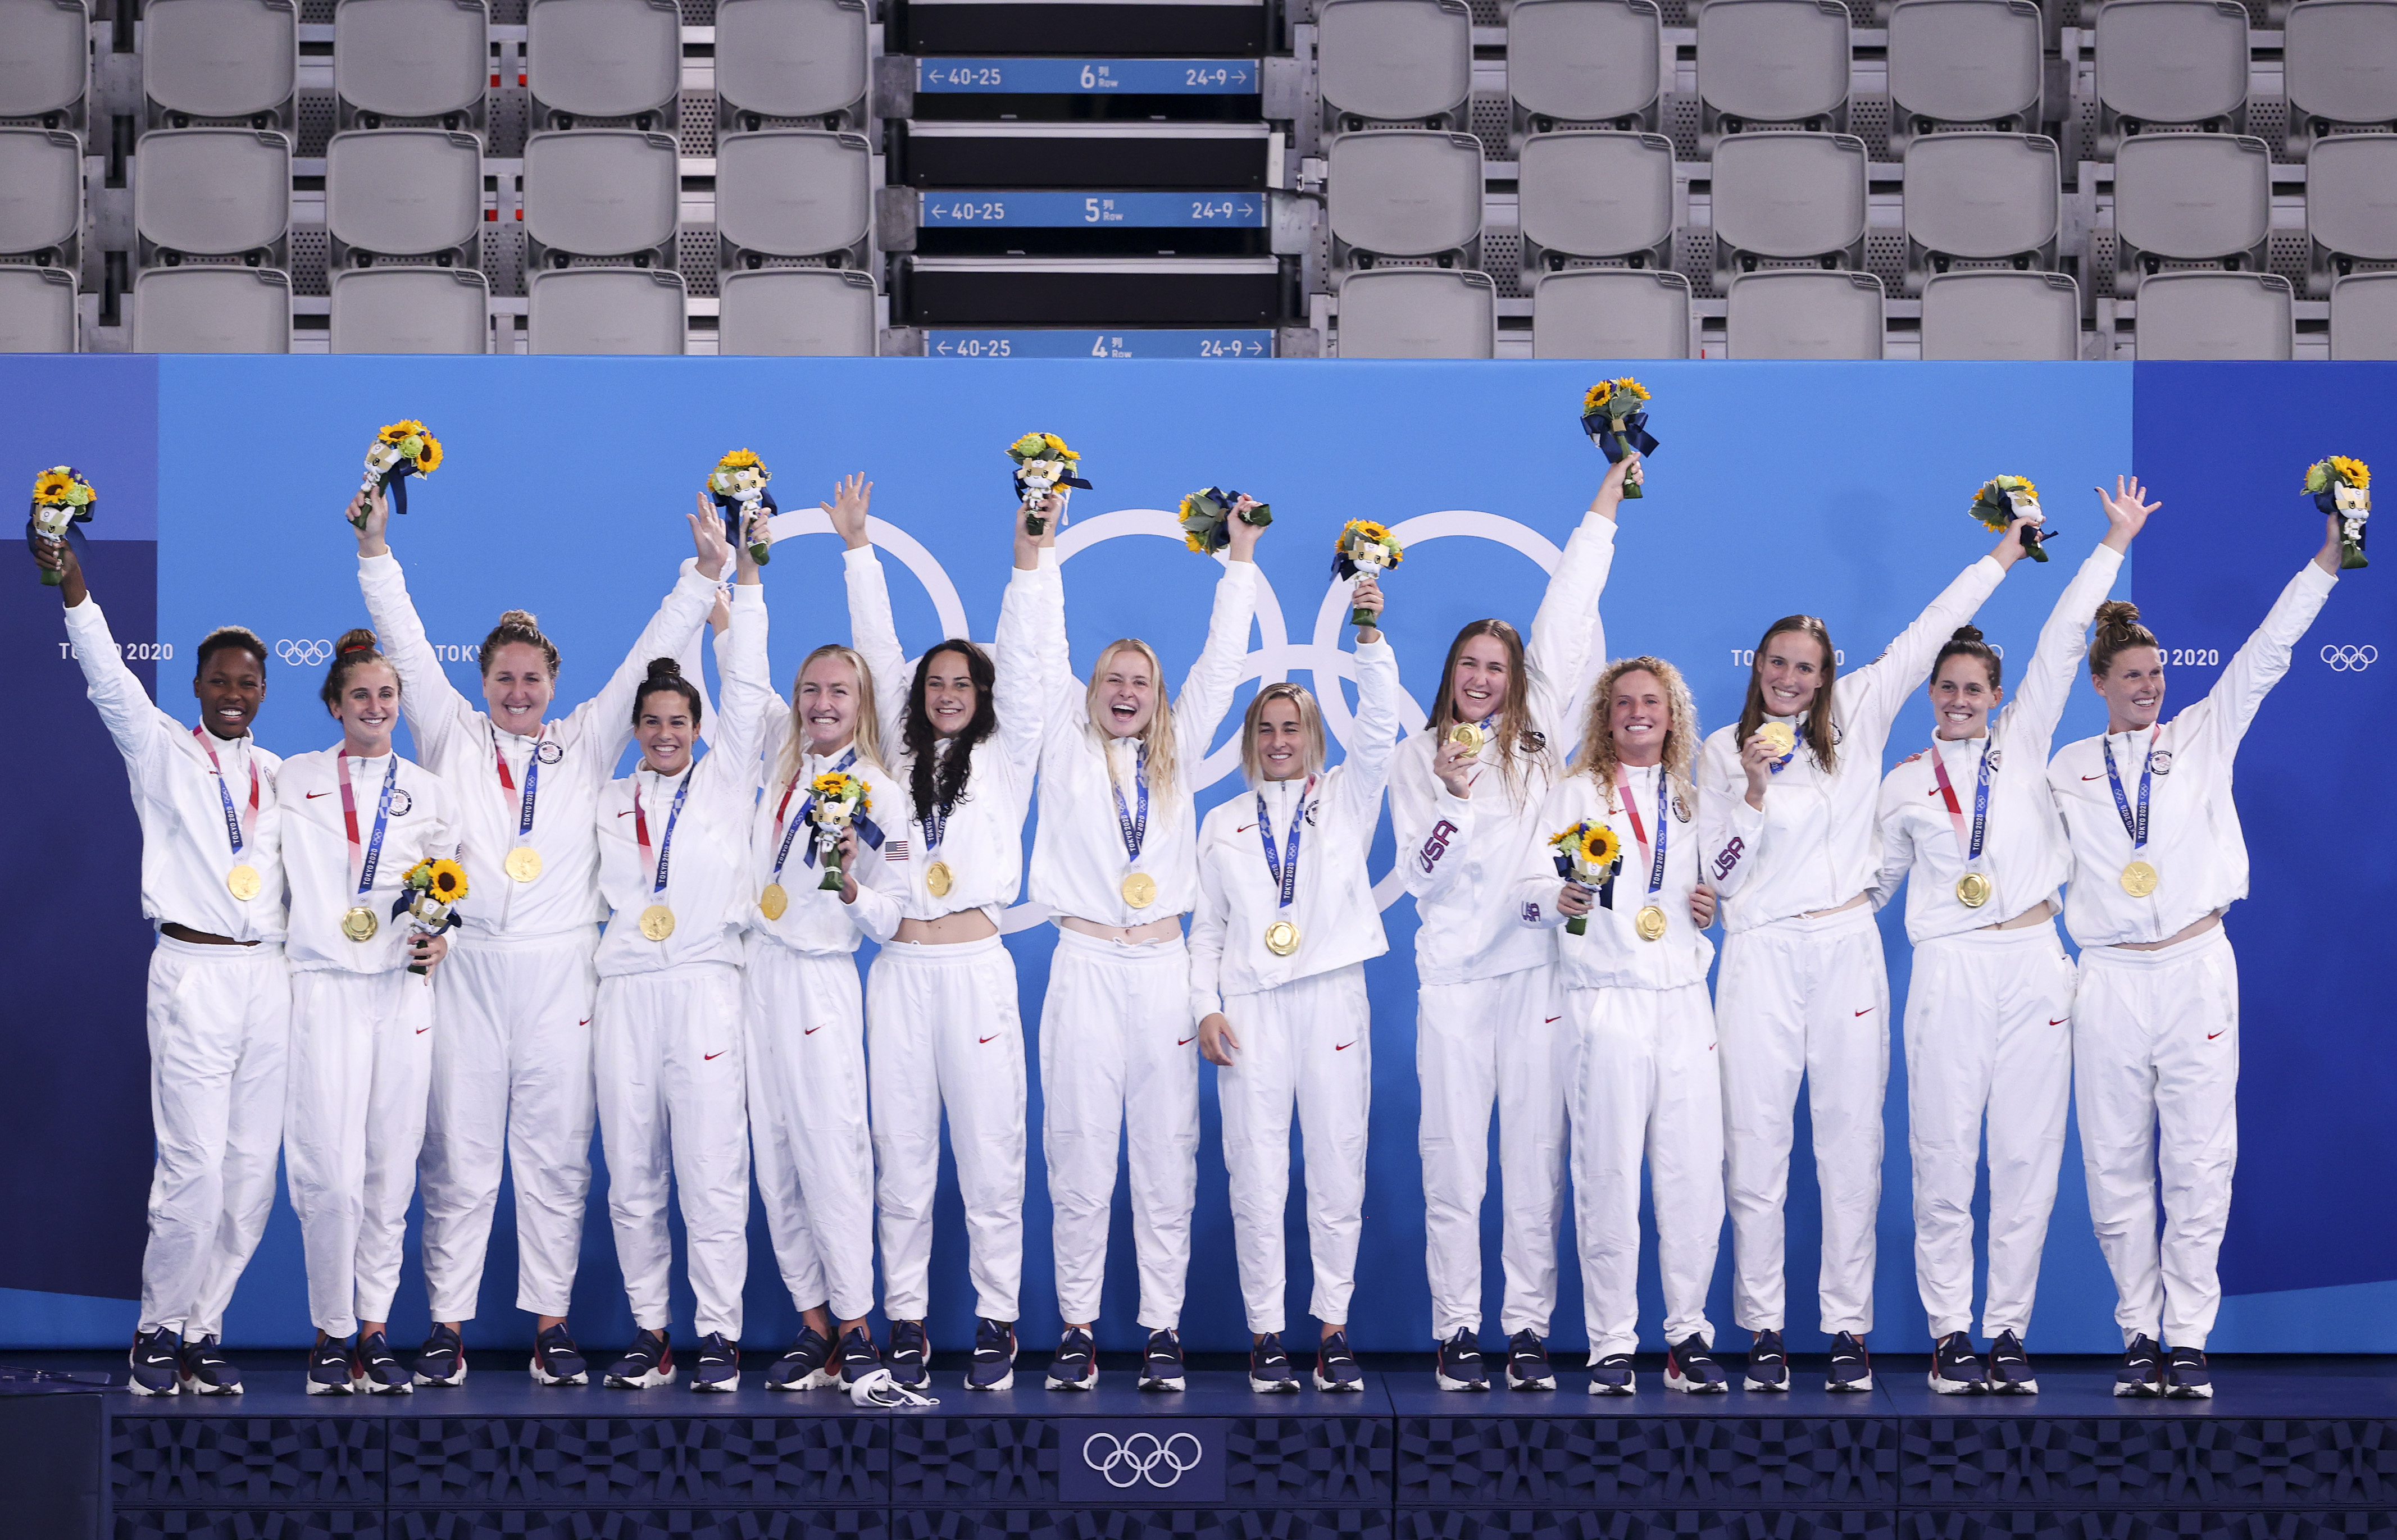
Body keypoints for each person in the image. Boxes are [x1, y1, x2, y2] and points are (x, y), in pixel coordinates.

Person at [348, 485, 726, 1387]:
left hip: (565, 972)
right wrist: (374, 552)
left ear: (555, 682)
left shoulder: (590, 740)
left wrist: (702, 574)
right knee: (459, 1155)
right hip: (468, 968)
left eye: (533, 678)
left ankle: (550, 1325)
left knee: (556, 1153)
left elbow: (653, 656)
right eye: (505, 678)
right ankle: (447, 1324)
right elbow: (401, 636)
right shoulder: (450, 734)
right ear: (482, 682)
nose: (519, 692)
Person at [1699, 508, 2039, 1392]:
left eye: (1805, 667)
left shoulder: (1858, 712)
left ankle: (1847, 1329)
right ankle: (1766, 1327)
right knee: (1756, 1144)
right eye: (1776, 663)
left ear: (1824, 676)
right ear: (1759, 668)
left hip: (1847, 943)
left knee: (1852, 1145)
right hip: (1759, 952)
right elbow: (1719, 871)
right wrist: (1749, 787)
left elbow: (1933, 627)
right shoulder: (1714, 752)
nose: (1788, 678)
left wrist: (2004, 553)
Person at [2046, 499, 2345, 1401]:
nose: (2150, 685)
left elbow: (2269, 648)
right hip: (2106, 976)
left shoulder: (2203, 733)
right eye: (2132, 674)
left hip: (2194, 966)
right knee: (2113, 1159)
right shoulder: (2064, 766)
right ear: (2100, 681)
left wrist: (2328, 558)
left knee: (2200, 1157)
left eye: (2158, 671)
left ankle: (2189, 1337)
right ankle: (2138, 1330)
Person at [1871, 478, 2153, 1396]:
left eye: (1973, 687)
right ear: (1932, 695)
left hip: (2036, 959)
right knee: (1945, 1149)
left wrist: (2111, 543)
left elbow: (2068, 635)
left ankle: (2007, 1332)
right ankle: (1952, 1333)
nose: (1958, 698)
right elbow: (1866, 883)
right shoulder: (1903, 782)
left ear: (1997, 694)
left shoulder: (2028, 741)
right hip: (1949, 965)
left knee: (2027, 1154)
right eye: (1946, 686)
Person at [1390, 454, 1634, 1391]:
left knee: (1535, 1160)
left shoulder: (1539, 745)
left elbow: (1568, 618)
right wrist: (1450, 800)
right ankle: (1459, 1329)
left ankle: (1526, 1327)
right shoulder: (1420, 760)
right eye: (1470, 665)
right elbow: (1418, 877)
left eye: (1497, 667)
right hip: (1453, 982)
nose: (1484, 678)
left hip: (1535, 975)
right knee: (1455, 1164)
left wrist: (1603, 507)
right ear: (1449, 673)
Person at [1022, 490, 1266, 1391]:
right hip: (1086, 962)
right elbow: (1040, 644)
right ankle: (1080, 1327)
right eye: (1112, 679)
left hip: (1164, 967)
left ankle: (1161, 1327)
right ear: (1090, 691)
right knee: (1080, 1147)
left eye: (1140, 682)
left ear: (1157, 697)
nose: (1126, 692)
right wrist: (1038, 543)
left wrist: (1238, 558)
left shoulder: (1181, 744)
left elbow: (1223, 660)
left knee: (1167, 1150)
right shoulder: (1062, 743)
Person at [38, 539, 289, 1397]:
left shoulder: (286, 778)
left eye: (248, 681)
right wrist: (72, 581)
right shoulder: (159, 753)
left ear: (264, 691)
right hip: (191, 972)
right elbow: (107, 673)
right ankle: (157, 1325)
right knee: (194, 1167)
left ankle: (205, 1327)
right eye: (220, 680)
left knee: (252, 1174)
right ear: (196, 688)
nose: (233, 693)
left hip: (272, 980)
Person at [847, 490, 1056, 1392]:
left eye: (961, 685)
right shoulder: (892, 764)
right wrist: (858, 549)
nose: (944, 695)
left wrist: (1027, 554)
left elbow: (1037, 657)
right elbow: (878, 653)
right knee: (902, 1152)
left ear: (983, 695)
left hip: (975, 969)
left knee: (990, 1148)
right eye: (935, 685)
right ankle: (908, 1319)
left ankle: (997, 1318)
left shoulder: (1009, 757)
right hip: (899, 967)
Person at [1191, 571, 1396, 1395]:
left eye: (1294, 726)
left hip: (1332, 999)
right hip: (1250, 1011)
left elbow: (1379, 726)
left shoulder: (1349, 798)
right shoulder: (1221, 823)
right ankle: (1268, 1335)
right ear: (1250, 740)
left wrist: (1370, 634)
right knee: (1257, 1171)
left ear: (1314, 736)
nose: (1280, 738)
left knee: (1339, 1165)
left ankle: (1334, 1330)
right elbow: (1204, 929)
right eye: (1268, 727)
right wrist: (1204, 1006)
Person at [589, 522, 771, 1393]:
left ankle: (719, 1335)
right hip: (624, 991)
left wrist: (743, 571)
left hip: (704, 988)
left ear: (701, 728)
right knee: (632, 1170)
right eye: (652, 721)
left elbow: (749, 684)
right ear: (635, 728)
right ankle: (650, 1330)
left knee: (710, 1168)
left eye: (678, 721)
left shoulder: (730, 776)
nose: (666, 732)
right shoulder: (605, 797)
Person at [1513, 655, 1725, 1395]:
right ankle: (1610, 1343)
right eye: (1625, 702)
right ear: (1606, 715)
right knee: (1606, 1175)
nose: (1639, 713)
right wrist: (1559, 898)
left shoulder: (1692, 796)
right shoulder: (1577, 791)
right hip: (1604, 998)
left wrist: (1710, 903)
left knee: (1693, 1175)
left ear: (1672, 717)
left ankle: (1689, 1333)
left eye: (1653, 703)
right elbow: (1530, 887)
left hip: (1684, 998)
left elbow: (1716, 880)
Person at [741, 474, 907, 1392]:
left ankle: (860, 1324)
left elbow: (892, 908)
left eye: (838, 692)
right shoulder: (775, 756)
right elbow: (743, 667)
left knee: (833, 1152)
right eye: (810, 691)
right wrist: (750, 565)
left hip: (818, 979)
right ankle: (815, 1325)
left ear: (862, 703)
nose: (820, 704)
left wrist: (848, 884)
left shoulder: (877, 792)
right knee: (775, 1157)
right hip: (756, 971)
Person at [280, 629, 463, 1394]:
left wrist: (441, 940)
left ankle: (374, 1330)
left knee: (390, 1167)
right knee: (330, 1172)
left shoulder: (429, 789)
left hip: (401, 990)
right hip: (324, 986)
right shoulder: (292, 779)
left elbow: (454, 890)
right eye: (361, 694)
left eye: (387, 695)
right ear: (335, 704)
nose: (376, 706)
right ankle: (328, 1331)